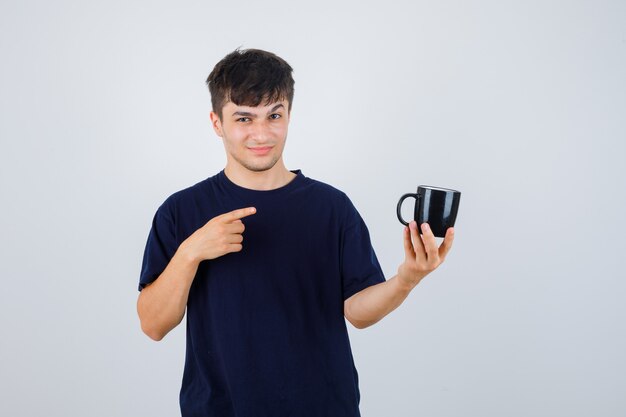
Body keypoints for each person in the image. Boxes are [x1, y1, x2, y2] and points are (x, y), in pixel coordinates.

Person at [137, 48, 455, 417]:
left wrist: (406, 279)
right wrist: (190, 252)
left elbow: (357, 312)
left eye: (274, 115)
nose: (261, 133)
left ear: (289, 115)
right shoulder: (181, 210)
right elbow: (153, 325)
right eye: (244, 118)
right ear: (216, 123)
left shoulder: (332, 208)